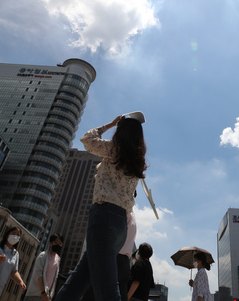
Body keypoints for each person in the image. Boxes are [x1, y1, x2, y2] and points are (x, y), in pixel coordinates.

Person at [54, 115, 147, 301]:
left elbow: (87, 140)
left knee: (107, 292)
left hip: (104, 217)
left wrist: (110, 124)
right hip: (120, 225)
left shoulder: (113, 150)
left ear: (121, 132)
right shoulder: (138, 160)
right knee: (78, 281)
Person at [25, 234, 63, 301]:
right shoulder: (43, 256)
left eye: (60, 243)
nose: (58, 245)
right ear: (51, 244)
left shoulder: (58, 260)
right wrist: (43, 292)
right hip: (35, 295)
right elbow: (38, 274)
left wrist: (52, 294)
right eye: (56, 242)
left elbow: (55, 278)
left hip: (47, 297)